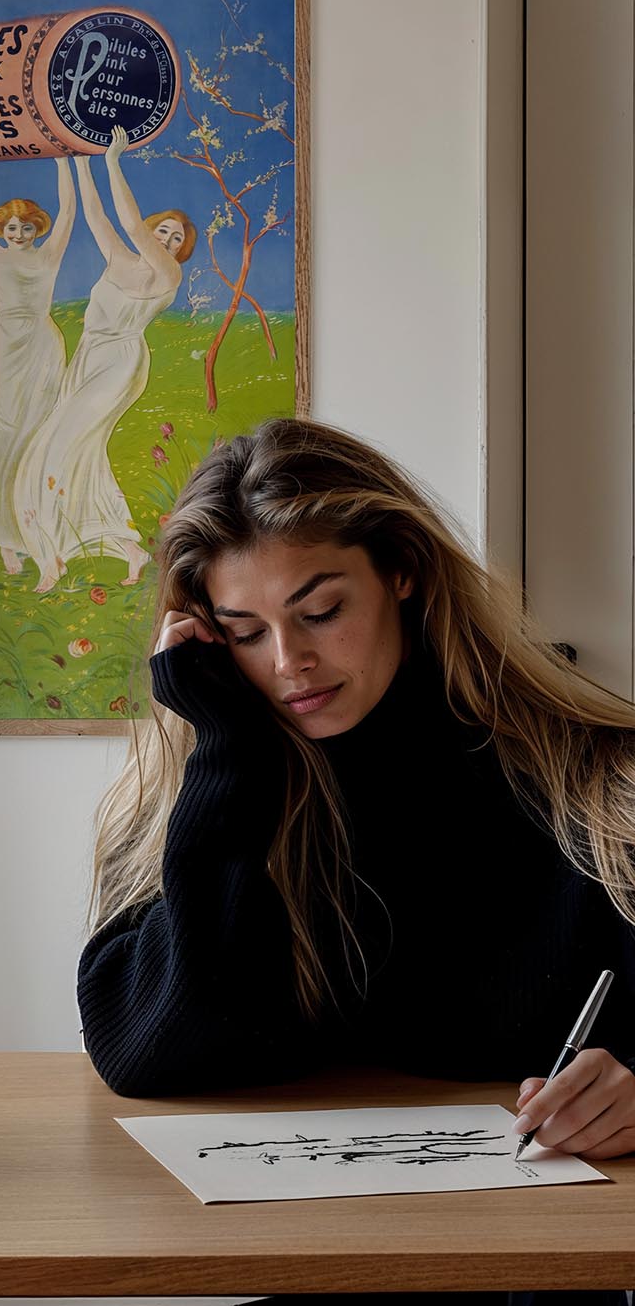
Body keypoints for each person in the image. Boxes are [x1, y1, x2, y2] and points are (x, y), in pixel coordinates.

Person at [77, 417, 635, 1305]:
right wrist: (226, 753)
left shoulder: (598, 785)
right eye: (244, 631)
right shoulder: (200, 794)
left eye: (321, 611)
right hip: (317, 1268)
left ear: (402, 570)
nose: (290, 662)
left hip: (539, 1276)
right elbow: (148, 1053)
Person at [16, 125, 196, 593]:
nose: (168, 240)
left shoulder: (166, 272)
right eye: (164, 231)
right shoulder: (120, 259)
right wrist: (76, 159)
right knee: (84, 455)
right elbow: (98, 216)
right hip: (89, 354)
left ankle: (50, 556)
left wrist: (111, 160)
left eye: (176, 238)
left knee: (59, 441)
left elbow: (132, 224)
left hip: (120, 361)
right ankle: (125, 548)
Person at [0, 159, 75, 574]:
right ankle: (4, 538)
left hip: (43, 346)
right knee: (4, 435)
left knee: (39, 434)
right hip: (5, 345)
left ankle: (37, 530)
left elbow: (68, 213)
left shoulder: (48, 256)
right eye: (11, 227)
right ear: (1, 231)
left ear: (36, 229)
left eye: (26, 227)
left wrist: (65, 159)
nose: (19, 234)